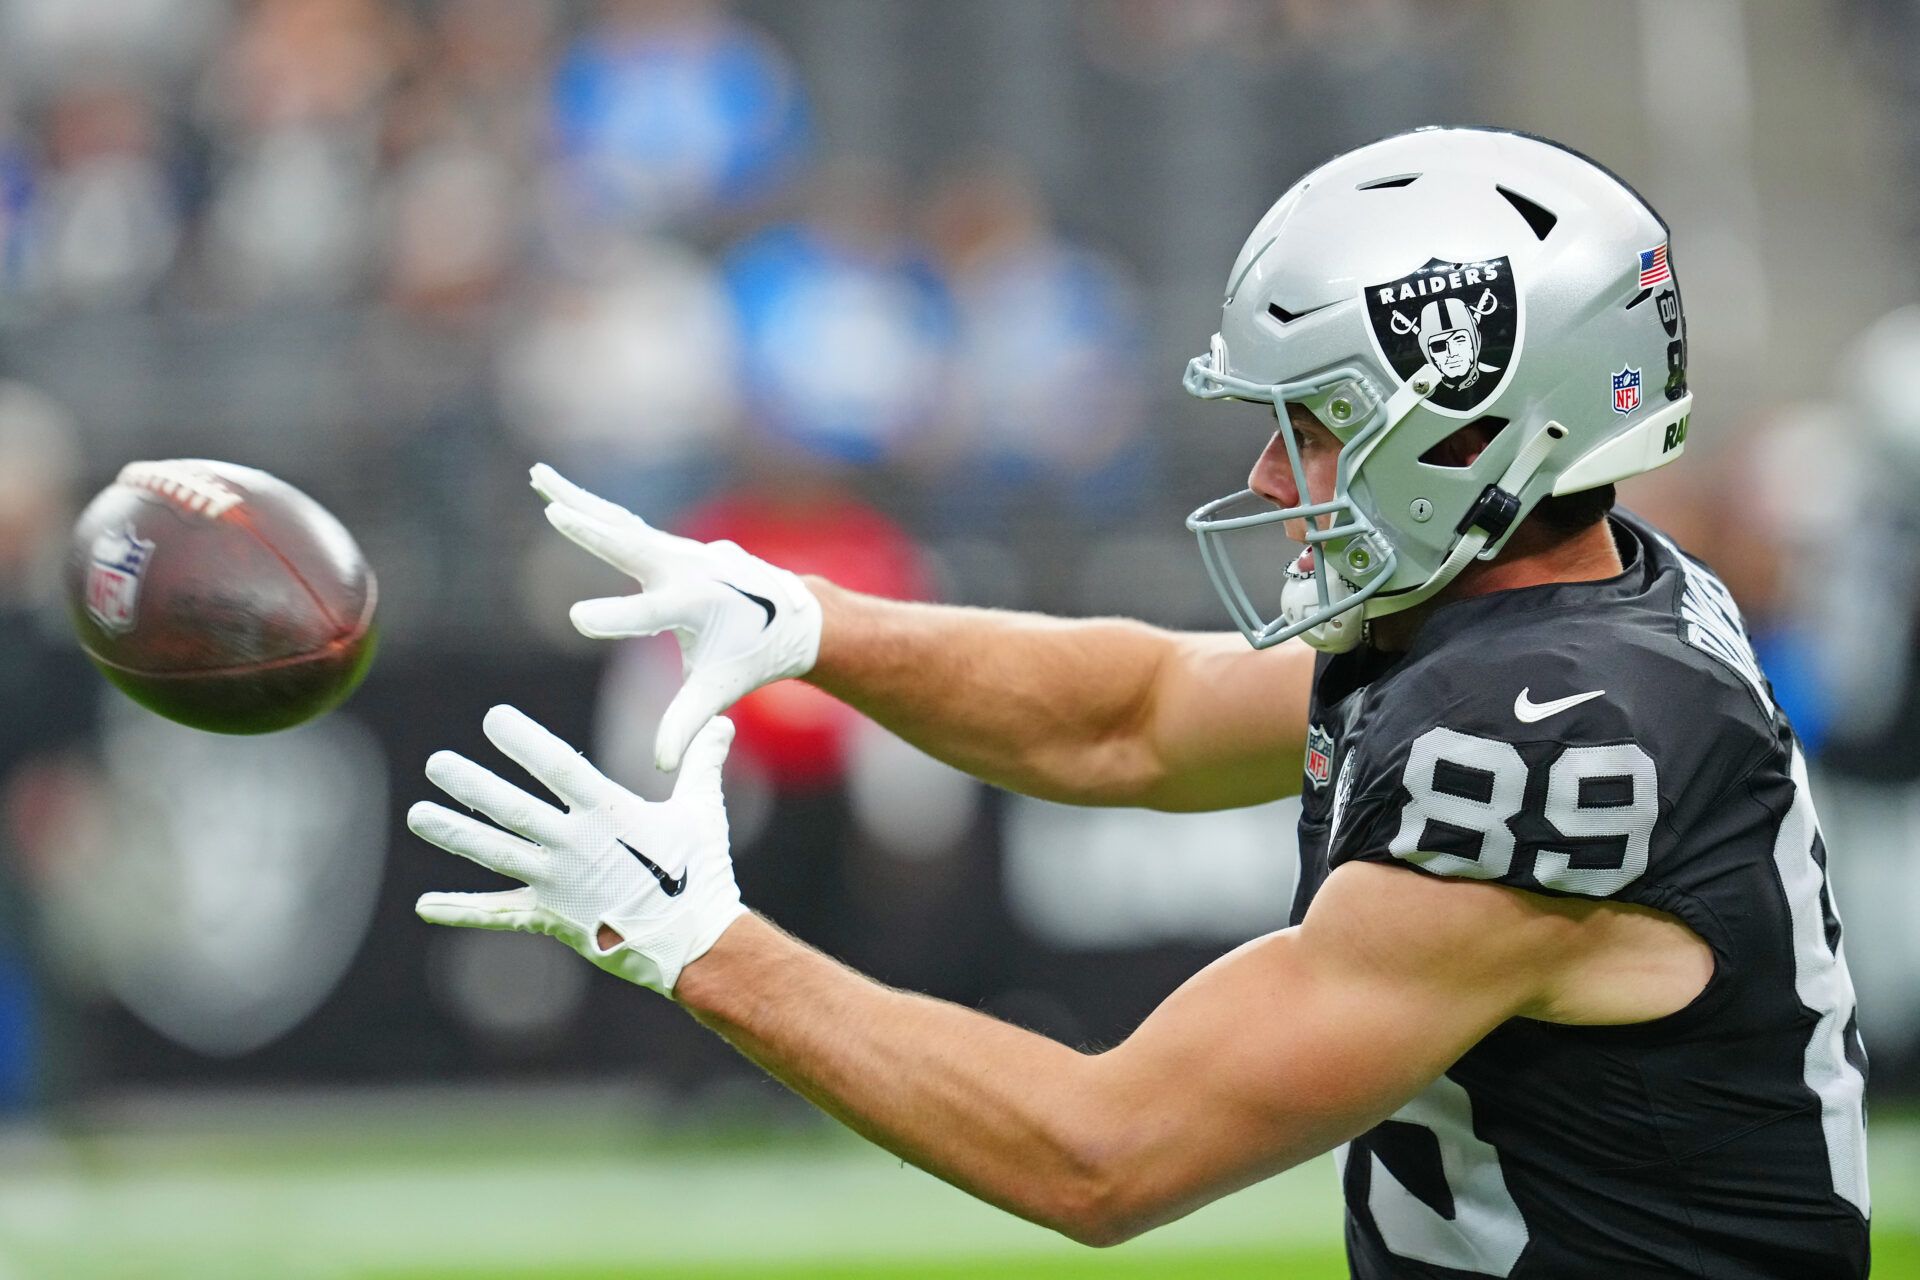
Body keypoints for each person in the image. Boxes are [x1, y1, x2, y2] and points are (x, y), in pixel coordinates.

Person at [407, 128, 1870, 1278]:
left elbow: (1102, 1153)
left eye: (1315, 427)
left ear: (1479, 424)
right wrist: (806, 620)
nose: (1271, 482)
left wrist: (691, 941)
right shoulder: (1537, 608)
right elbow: (1137, 718)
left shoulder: (1551, 738)